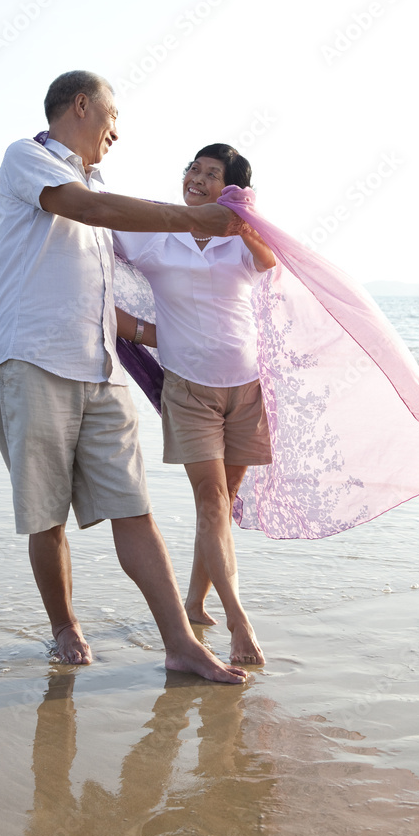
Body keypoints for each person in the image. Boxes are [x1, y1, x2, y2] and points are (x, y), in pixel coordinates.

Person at [0, 70, 247, 683]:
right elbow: (89, 209)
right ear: (82, 105)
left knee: (134, 508)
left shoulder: (97, 183)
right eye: (113, 116)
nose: (117, 132)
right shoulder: (28, 158)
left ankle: (180, 643)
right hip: (30, 358)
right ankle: (65, 627)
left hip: (99, 368)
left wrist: (163, 334)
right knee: (47, 515)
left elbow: (108, 286)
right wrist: (189, 218)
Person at [115, 144, 275, 666]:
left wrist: (239, 218)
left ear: (230, 190)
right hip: (189, 391)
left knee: (223, 502)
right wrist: (135, 330)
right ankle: (238, 620)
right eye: (194, 170)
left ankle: (195, 600)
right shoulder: (155, 238)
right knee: (210, 499)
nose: (197, 179)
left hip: (248, 388)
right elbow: (94, 237)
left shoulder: (241, 247)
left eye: (212, 175)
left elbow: (270, 259)